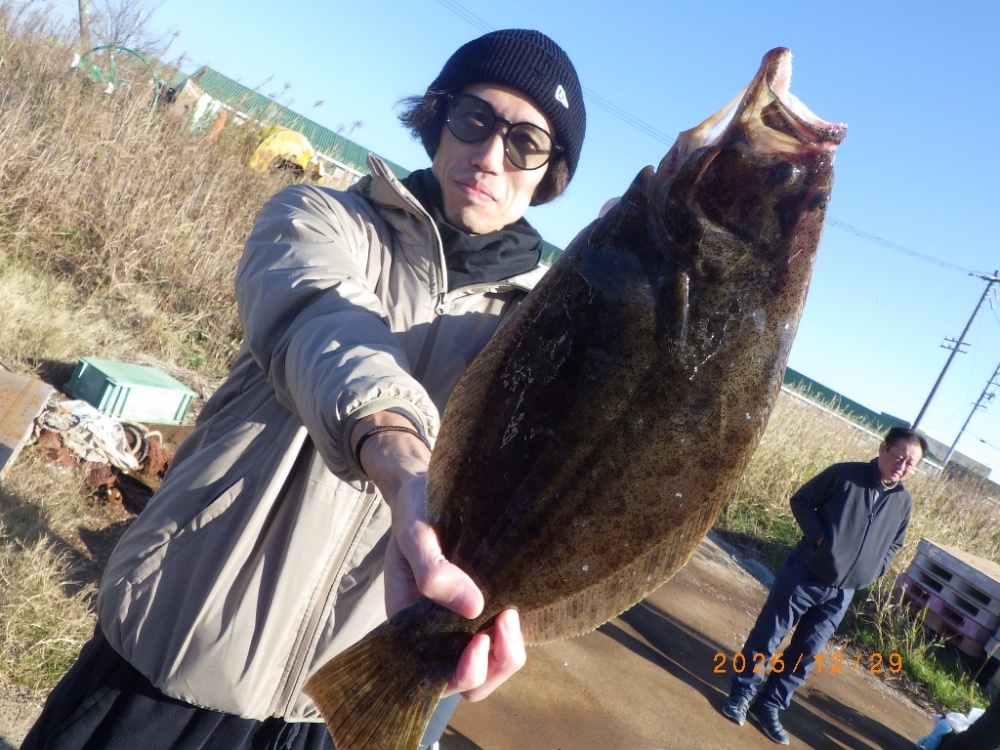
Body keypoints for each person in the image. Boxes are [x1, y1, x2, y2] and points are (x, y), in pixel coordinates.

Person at [23, 28, 586, 750]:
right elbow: (323, 324)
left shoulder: (544, 333)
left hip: (339, 706)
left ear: (550, 173)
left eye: (526, 143)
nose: (490, 154)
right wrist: (397, 453)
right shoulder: (319, 218)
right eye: (474, 118)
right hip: (174, 648)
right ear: (438, 117)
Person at [719, 426, 928, 746]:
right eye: (899, 457)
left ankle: (769, 705)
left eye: (911, 463)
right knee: (768, 635)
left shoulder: (903, 502)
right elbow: (802, 500)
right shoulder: (845, 475)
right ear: (883, 448)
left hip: (843, 592)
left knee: (806, 653)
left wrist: (874, 569)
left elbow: (895, 544)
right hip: (805, 573)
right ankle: (741, 695)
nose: (902, 466)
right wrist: (819, 540)